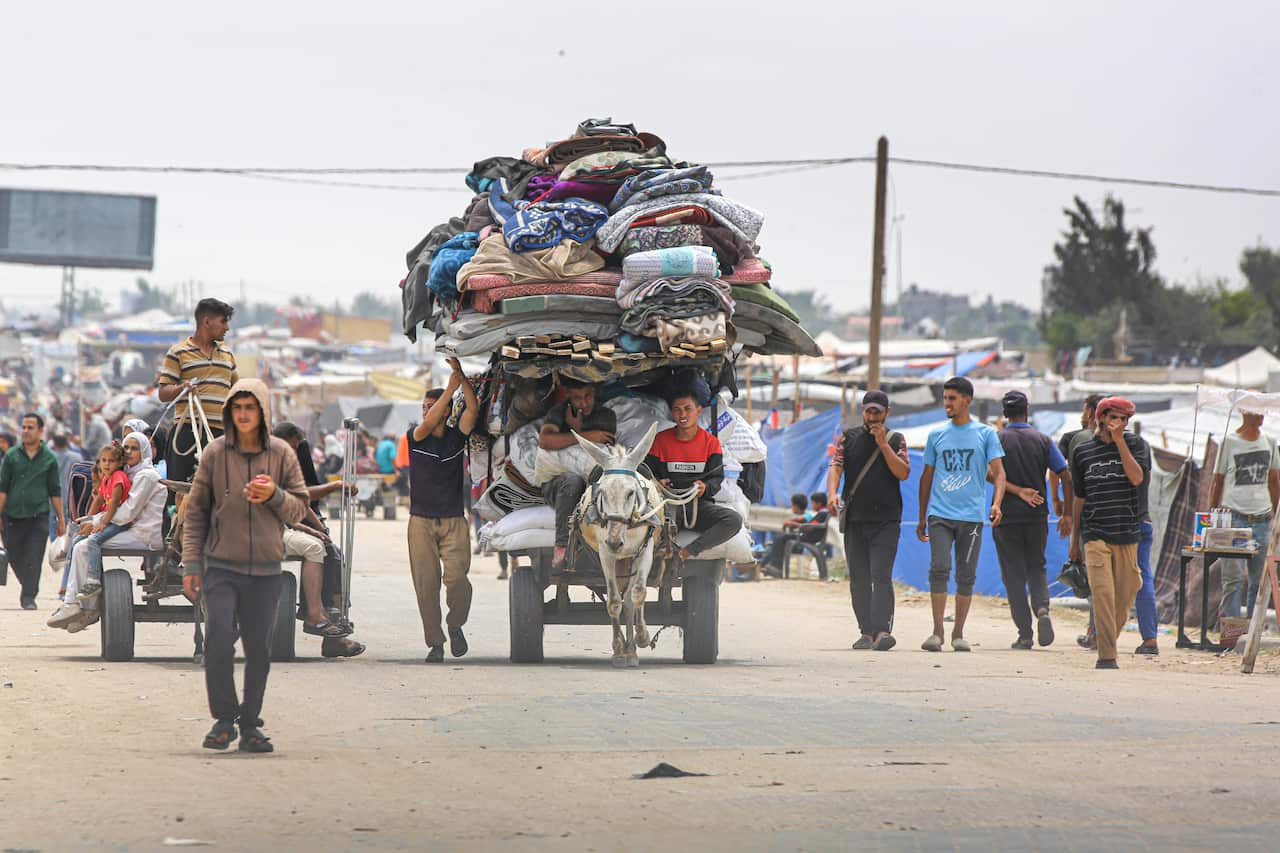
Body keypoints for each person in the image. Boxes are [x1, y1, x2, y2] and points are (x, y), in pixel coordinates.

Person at [182, 379, 309, 752]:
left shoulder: (283, 454)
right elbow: (196, 513)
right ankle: (224, 719)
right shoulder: (215, 454)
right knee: (219, 637)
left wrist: (274, 496)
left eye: (250, 408)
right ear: (229, 412)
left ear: (263, 411)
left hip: (268, 569)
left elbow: (300, 506)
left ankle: (251, 724)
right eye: (236, 408)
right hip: (221, 565)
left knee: (259, 649)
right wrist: (192, 563)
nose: (242, 415)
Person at [917, 377, 1006, 652]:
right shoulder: (936, 435)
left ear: (967, 400)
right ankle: (937, 632)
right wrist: (922, 516)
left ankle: (958, 632)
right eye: (945, 398)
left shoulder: (986, 434)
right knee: (939, 568)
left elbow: (999, 474)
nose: (947, 404)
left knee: (966, 574)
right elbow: (927, 476)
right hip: (940, 514)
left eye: (952, 398)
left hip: (972, 517)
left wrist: (997, 503)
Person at [48, 432, 166, 632]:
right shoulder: (130, 473)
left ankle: (86, 608)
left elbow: (128, 512)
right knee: (81, 542)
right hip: (130, 529)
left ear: (144, 451)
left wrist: (94, 522)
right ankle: (75, 603)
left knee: (85, 546)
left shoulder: (146, 476)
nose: (128, 452)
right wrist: (90, 520)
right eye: (126, 447)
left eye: (134, 448)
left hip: (143, 535)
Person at [1068, 396, 1150, 670]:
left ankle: (1106, 641)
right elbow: (1079, 498)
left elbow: (1137, 478)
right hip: (1095, 533)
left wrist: (1120, 442)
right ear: (1101, 417)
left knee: (1126, 594)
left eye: (1124, 419)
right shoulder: (1082, 452)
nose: (1119, 423)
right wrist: (1075, 540)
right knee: (1102, 595)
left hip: (1127, 532)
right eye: (1114, 417)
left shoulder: (1137, 445)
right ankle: (1107, 655)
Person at [272, 422, 365, 658]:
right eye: (294, 446)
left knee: (333, 552)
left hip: (289, 520)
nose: (295, 451)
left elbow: (300, 501)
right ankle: (314, 612)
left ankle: (334, 625)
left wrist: (318, 527)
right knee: (318, 548)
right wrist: (334, 486)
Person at [408, 358, 478, 663]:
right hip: (420, 522)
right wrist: (449, 388)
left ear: (447, 411)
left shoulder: (455, 438)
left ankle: (455, 624)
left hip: (453, 521)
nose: (426, 411)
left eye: (431, 406)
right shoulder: (415, 436)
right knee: (426, 586)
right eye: (424, 406)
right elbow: (427, 424)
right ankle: (435, 643)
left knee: (458, 580)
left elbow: (472, 411)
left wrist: (460, 380)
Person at [829, 390, 910, 651]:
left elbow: (903, 472)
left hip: (886, 520)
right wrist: (832, 493)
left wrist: (883, 444)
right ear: (863, 411)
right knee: (859, 578)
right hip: (856, 519)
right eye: (868, 411)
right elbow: (836, 465)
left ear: (887, 412)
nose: (873, 416)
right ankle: (865, 631)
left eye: (878, 411)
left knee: (881, 576)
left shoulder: (896, 439)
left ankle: (883, 631)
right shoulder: (849, 438)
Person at [993, 391, 1071, 650]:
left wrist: (1015, 491)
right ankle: (1042, 609)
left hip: (1006, 516)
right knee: (1036, 566)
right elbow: (1065, 474)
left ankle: (1025, 634)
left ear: (1005, 414)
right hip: (1037, 516)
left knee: (1013, 575)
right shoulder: (1043, 440)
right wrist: (1065, 508)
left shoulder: (997, 439)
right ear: (1027, 411)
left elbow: (990, 475)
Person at [644, 392, 742, 561]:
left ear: (698, 411)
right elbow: (645, 472)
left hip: (699, 506)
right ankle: (656, 556)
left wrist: (705, 488)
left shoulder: (711, 443)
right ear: (672, 413)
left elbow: (716, 480)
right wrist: (657, 483)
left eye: (688, 409)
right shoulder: (660, 440)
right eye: (677, 410)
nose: (682, 415)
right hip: (666, 505)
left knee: (733, 520)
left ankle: (684, 553)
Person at [156, 297, 238, 485]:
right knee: (182, 489)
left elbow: (237, 389)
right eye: (223, 321)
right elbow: (163, 393)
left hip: (221, 433)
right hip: (187, 433)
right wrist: (182, 389)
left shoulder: (227, 355)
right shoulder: (178, 352)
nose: (227, 328)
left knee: (221, 490)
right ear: (207, 322)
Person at [538, 378, 616, 573]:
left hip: (593, 480)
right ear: (568, 396)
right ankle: (562, 547)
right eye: (577, 398)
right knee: (573, 481)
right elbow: (545, 441)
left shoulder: (606, 415)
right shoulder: (558, 412)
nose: (583, 403)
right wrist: (582, 434)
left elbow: (604, 447)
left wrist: (570, 434)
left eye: (587, 396)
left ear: (594, 392)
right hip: (560, 485)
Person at [1209, 411, 1280, 620]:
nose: (1261, 416)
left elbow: (1274, 480)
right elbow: (1217, 480)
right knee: (1233, 580)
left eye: (1262, 411)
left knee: (1258, 581)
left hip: (1262, 519)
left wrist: (1275, 516)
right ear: (1244, 413)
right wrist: (1210, 517)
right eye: (1255, 411)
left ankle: (1250, 635)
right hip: (1234, 518)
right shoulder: (1229, 443)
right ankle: (1232, 637)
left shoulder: (1269, 441)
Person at [0, 413, 67, 608]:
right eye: (24, 427)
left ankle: (29, 596)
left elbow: (55, 490)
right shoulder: (12, 456)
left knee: (34, 556)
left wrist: (61, 519)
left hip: (39, 515)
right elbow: (3, 487)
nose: (26, 431)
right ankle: (27, 585)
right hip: (12, 515)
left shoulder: (50, 458)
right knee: (13, 554)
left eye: (30, 427)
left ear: (40, 431)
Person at [68, 442, 133, 601]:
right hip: (107, 518)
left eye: (111, 461)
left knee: (93, 540)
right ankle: (73, 568)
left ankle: (93, 580)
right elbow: (99, 499)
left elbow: (113, 504)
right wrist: (88, 519)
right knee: (78, 537)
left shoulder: (118, 478)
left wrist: (102, 523)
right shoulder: (106, 479)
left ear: (119, 463)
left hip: (118, 521)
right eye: (103, 460)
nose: (106, 464)